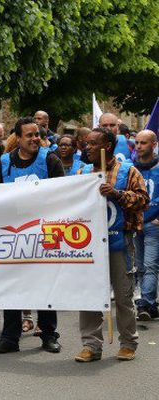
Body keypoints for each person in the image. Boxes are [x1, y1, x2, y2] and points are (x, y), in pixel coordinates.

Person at [0, 117, 64, 354]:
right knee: (12, 284)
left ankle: (48, 334)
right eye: (29, 135)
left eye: (37, 135)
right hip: (15, 233)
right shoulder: (4, 163)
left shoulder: (50, 160)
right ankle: (10, 337)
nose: (34, 139)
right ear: (18, 138)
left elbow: (64, 194)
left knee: (45, 284)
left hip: (44, 231)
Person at [75, 127, 149, 362]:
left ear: (107, 147)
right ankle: (91, 345)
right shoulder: (83, 172)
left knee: (123, 295)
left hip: (119, 241)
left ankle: (128, 342)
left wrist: (117, 194)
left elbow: (143, 201)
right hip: (89, 245)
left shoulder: (128, 171)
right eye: (86, 144)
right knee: (90, 294)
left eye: (93, 144)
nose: (87, 148)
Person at [132, 130, 159, 321]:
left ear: (154, 144)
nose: (139, 146)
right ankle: (149, 302)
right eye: (137, 143)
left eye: (144, 143)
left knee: (150, 265)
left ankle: (146, 302)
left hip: (154, 224)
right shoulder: (131, 168)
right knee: (140, 266)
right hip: (135, 223)